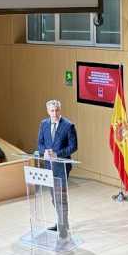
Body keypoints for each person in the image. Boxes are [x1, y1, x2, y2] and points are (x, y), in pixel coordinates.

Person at [36, 99, 78, 238]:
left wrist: (57, 154)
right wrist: (45, 152)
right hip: (49, 166)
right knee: (54, 198)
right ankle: (60, 222)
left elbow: (73, 147)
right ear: (48, 111)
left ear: (60, 110)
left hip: (62, 166)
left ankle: (63, 226)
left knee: (61, 197)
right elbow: (40, 144)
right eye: (52, 111)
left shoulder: (68, 125)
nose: (54, 113)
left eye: (56, 110)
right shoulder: (44, 124)